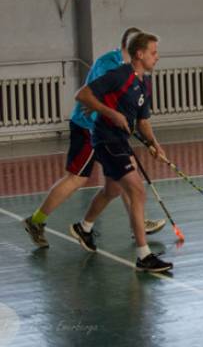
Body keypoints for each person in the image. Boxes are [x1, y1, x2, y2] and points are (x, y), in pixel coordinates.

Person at [23, 28, 165, 249]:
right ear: (135, 51)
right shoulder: (109, 65)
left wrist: (150, 142)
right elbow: (89, 96)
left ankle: (135, 224)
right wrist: (106, 110)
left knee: (123, 178)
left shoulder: (137, 75)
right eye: (151, 51)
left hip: (111, 133)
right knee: (77, 179)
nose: (155, 56)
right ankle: (36, 220)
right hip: (89, 128)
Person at [71, 32, 173, 272]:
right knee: (137, 190)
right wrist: (111, 113)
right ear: (139, 54)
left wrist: (154, 145)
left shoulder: (144, 82)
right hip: (106, 139)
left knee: (113, 189)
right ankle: (143, 255)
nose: (157, 57)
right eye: (153, 52)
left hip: (121, 140)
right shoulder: (120, 75)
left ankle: (83, 228)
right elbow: (82, 95)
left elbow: (143, 121)